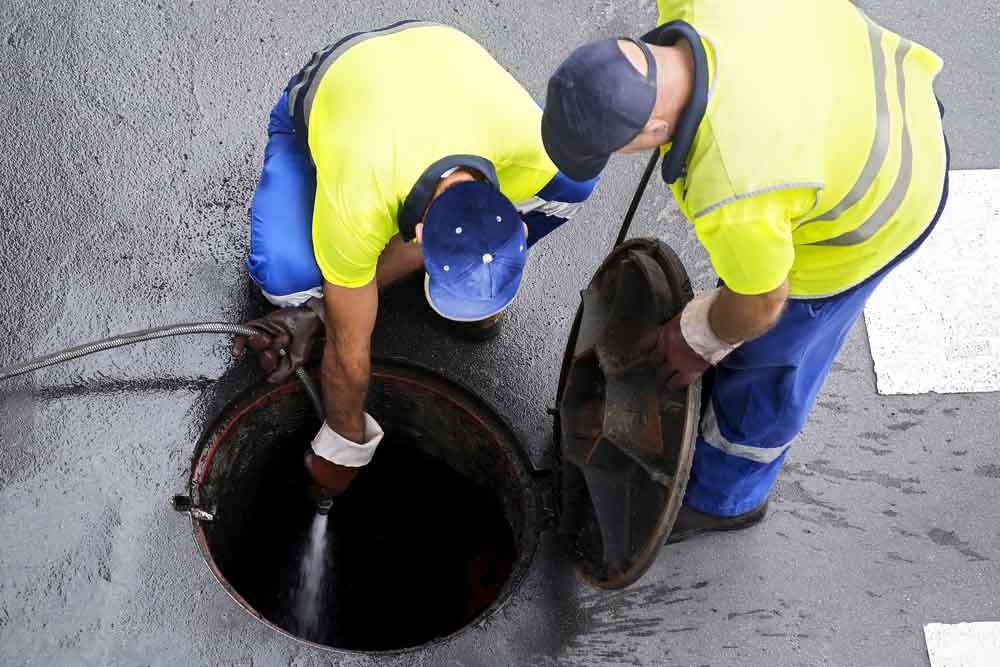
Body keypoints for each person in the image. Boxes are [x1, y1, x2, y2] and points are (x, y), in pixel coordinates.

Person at [541, 0, 948, 541]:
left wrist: (699, 339)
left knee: (766, 359)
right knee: (748, 284)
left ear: (658, 124)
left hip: (885, 195)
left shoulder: (734, 186)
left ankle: (726, 498)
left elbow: (762, 302)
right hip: (883, 95)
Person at [233, 20, 597, 498]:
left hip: (435, 55)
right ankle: (329, 286)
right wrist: (342, 447)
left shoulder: (538, 153)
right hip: (338, 82)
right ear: (421, 235)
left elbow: (577, 167)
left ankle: (467, 275)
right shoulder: (358, 200)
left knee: (571, 187)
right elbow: (347, 346)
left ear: (509, 212)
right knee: (289, 284)